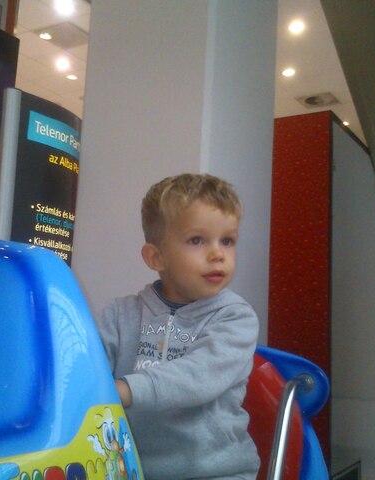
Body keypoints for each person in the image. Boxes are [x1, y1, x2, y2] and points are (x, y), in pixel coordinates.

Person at [96, 173, 260, 479]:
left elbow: (199, 376)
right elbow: (86, 373)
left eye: (227, 241)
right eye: (197, 240)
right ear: (156, 257)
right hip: (131, 469)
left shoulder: (236, 318)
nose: (218, 254)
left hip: (216, 473)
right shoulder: (119, 315)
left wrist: (127, 389)